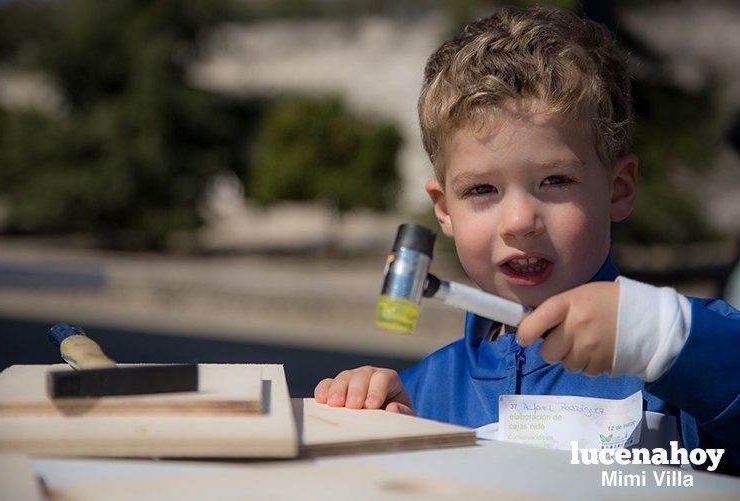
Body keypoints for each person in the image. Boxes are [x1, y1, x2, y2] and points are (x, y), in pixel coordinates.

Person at [314, 6, 740, 474]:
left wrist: (660, 334)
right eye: (481, 190)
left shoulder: (678, 363)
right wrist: (386, 435)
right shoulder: (422, 394)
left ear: (619, 189)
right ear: (443, 209)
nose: (519, 221)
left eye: (555, 181)